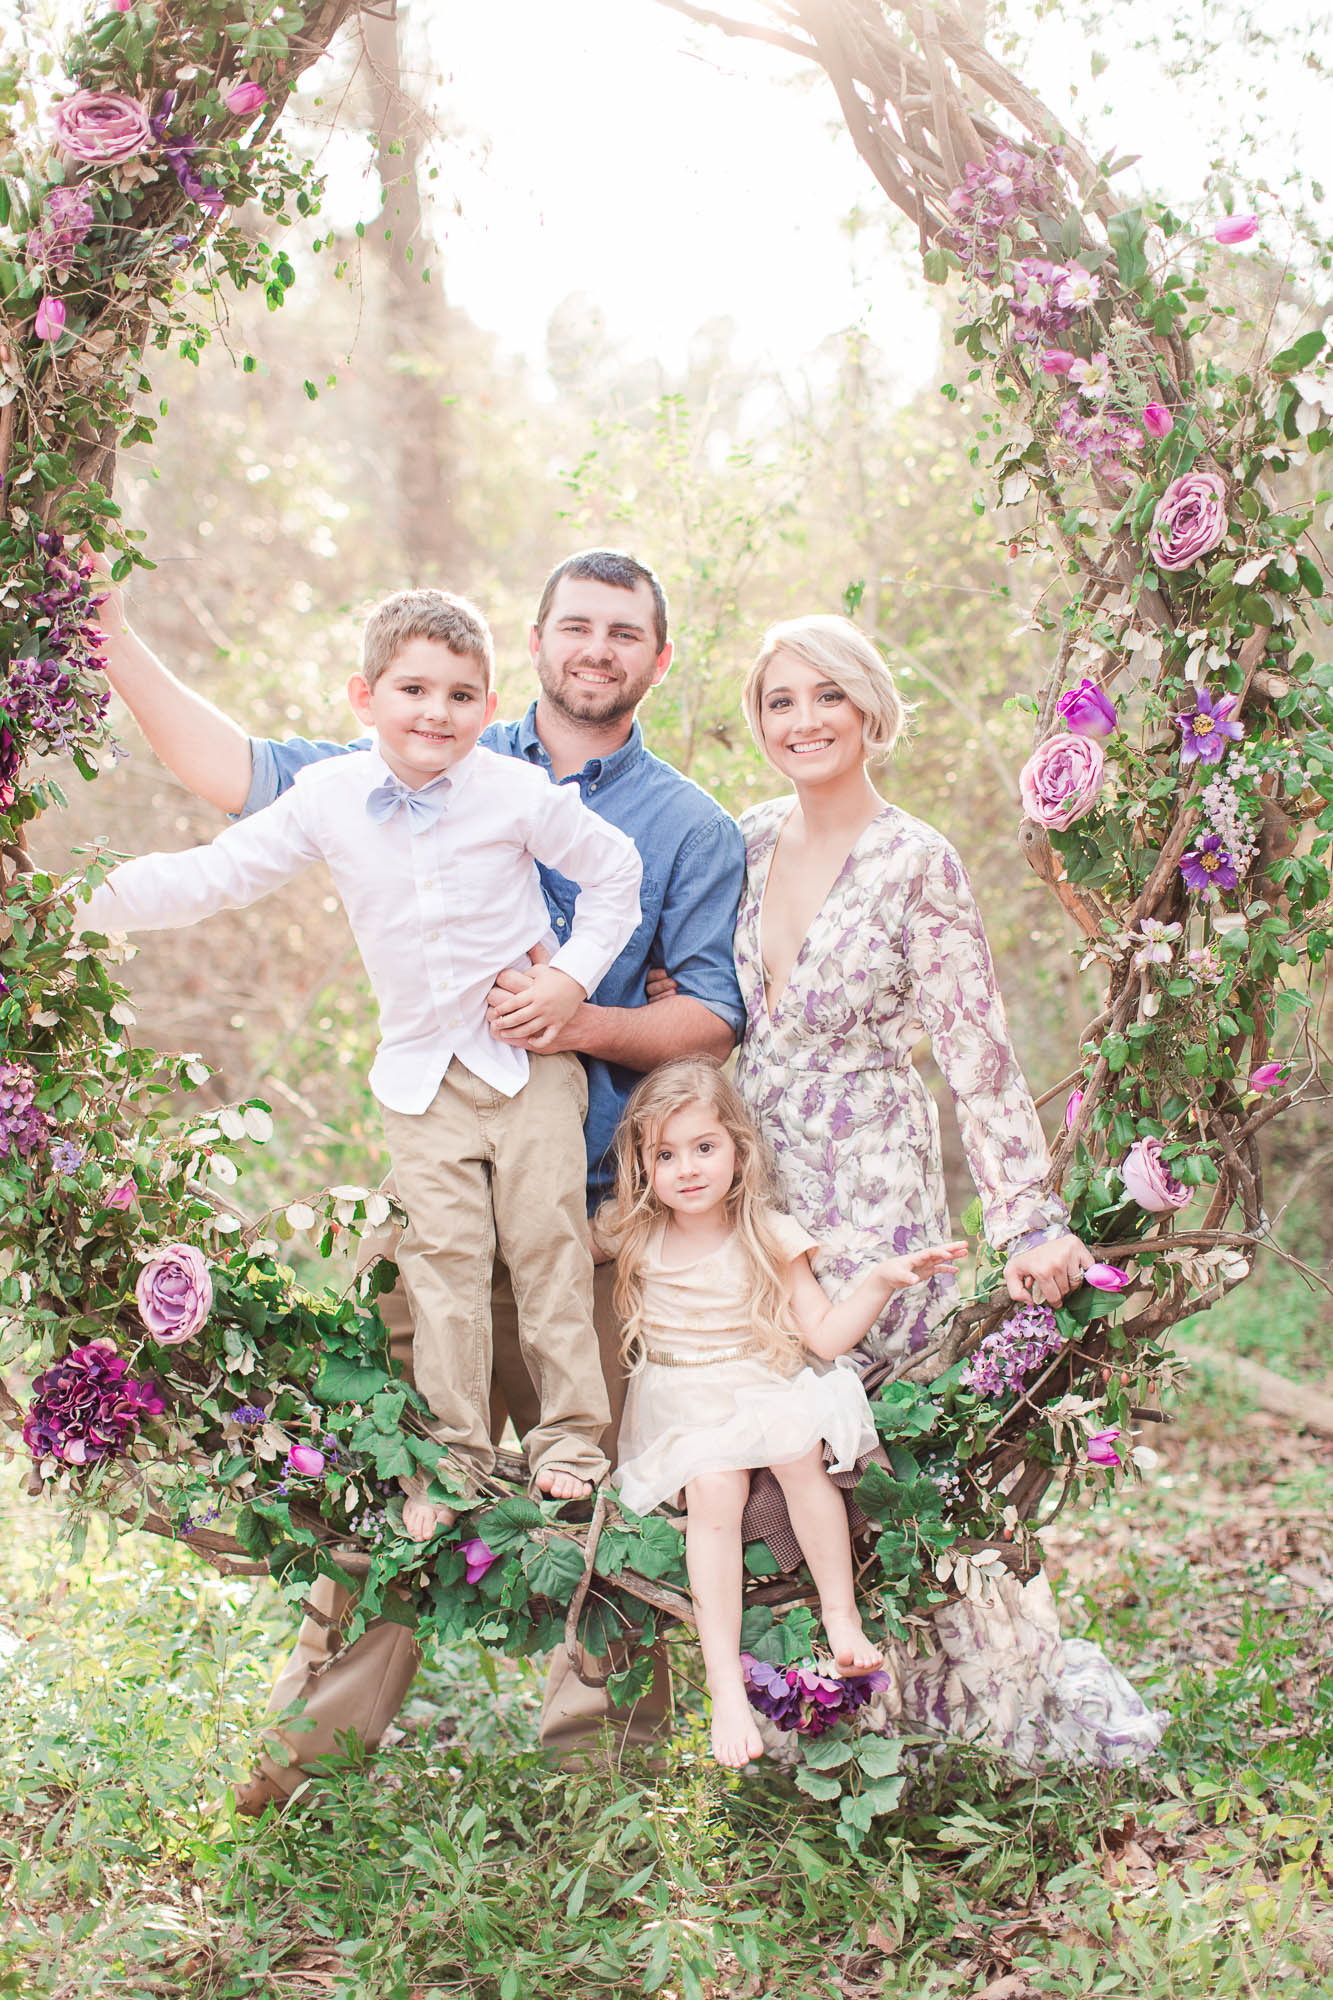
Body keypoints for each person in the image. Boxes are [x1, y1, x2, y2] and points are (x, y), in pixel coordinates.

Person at [90, 547, 747, 1803]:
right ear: (536, 641)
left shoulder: (684, 824)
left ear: (658, 660)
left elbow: (714, 1014)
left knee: (607, 1489)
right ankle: (307, 1762)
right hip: (439, 1144)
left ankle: (599, 1791)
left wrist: (577, 1007)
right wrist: (113, 643)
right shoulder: (418, 739)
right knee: (404, 1468)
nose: (597, 648)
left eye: (625, 632)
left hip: (596, 1200)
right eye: (575, 624)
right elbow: (236, 799)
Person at [77, 587, 646, 1522]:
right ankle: (456, 1453)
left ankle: (572, 1439)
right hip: (422, 1076)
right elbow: (208, 877)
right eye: (414, 689)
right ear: (363, 697)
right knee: (443, 1260)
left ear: (488, 707)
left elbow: (615, 872)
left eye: (463, 696)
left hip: (525, 1060)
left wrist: (572, 978)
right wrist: (65, 907)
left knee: (547, 1243)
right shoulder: (329, 797)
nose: (437, 712)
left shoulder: (515, 792)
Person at [719, 613, 1165, 1763]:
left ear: (869, 707)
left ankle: (944, 1720)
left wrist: (1025, 1213)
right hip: (761, 1185)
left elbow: (976, 1047)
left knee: (882, 1437)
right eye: (779, 700)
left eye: (826, 696)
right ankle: (811, 1709)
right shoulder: (747, 838)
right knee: (782, 1438)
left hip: (871, 1171)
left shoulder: (917, 857)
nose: (802, 720)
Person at [596, 1057, 966, 1766]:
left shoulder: (766, 1231)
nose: (688, 1168)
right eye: (664, 1155)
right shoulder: (629, 1231)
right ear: (642, 1166)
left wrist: (880, 1281)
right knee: (714, 1489)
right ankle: (724, 1685)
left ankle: (840, 1615)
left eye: (704, 1147)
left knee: (798, 1449)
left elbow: (823, 1336)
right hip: (681, 1403)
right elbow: (544, 1253)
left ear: (738, 1147)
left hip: (759, 1383)